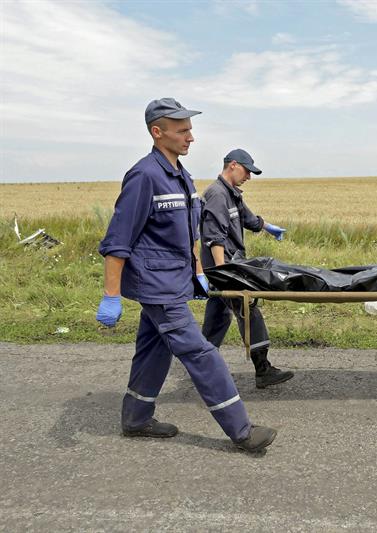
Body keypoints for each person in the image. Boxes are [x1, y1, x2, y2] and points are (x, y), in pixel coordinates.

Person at [95, 98, 276, 453]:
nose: (190, 137)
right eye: (182, 130)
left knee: (153, 349)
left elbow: (186, 234)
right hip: (157, 286)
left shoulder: (181, 175)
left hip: (175, 281)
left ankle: (136, 419)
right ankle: (241, 430)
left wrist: (197, 272)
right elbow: (118, 241)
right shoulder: (144, 176)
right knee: (201, 352)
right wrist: (111, 295)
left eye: (190, 129)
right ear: (157, 132)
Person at [200, 148, 293, 388]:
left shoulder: (231, 194)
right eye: (247, 171)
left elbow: (248, 219)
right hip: (225, 267)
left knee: (217, 318)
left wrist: (268, 226)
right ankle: (263, 370)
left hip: (230, 265)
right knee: (247, 309)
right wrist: (223, 274)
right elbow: (214, 237)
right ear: (232, 165)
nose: (249, 177)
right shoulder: (217, 195)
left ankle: (201, 365)